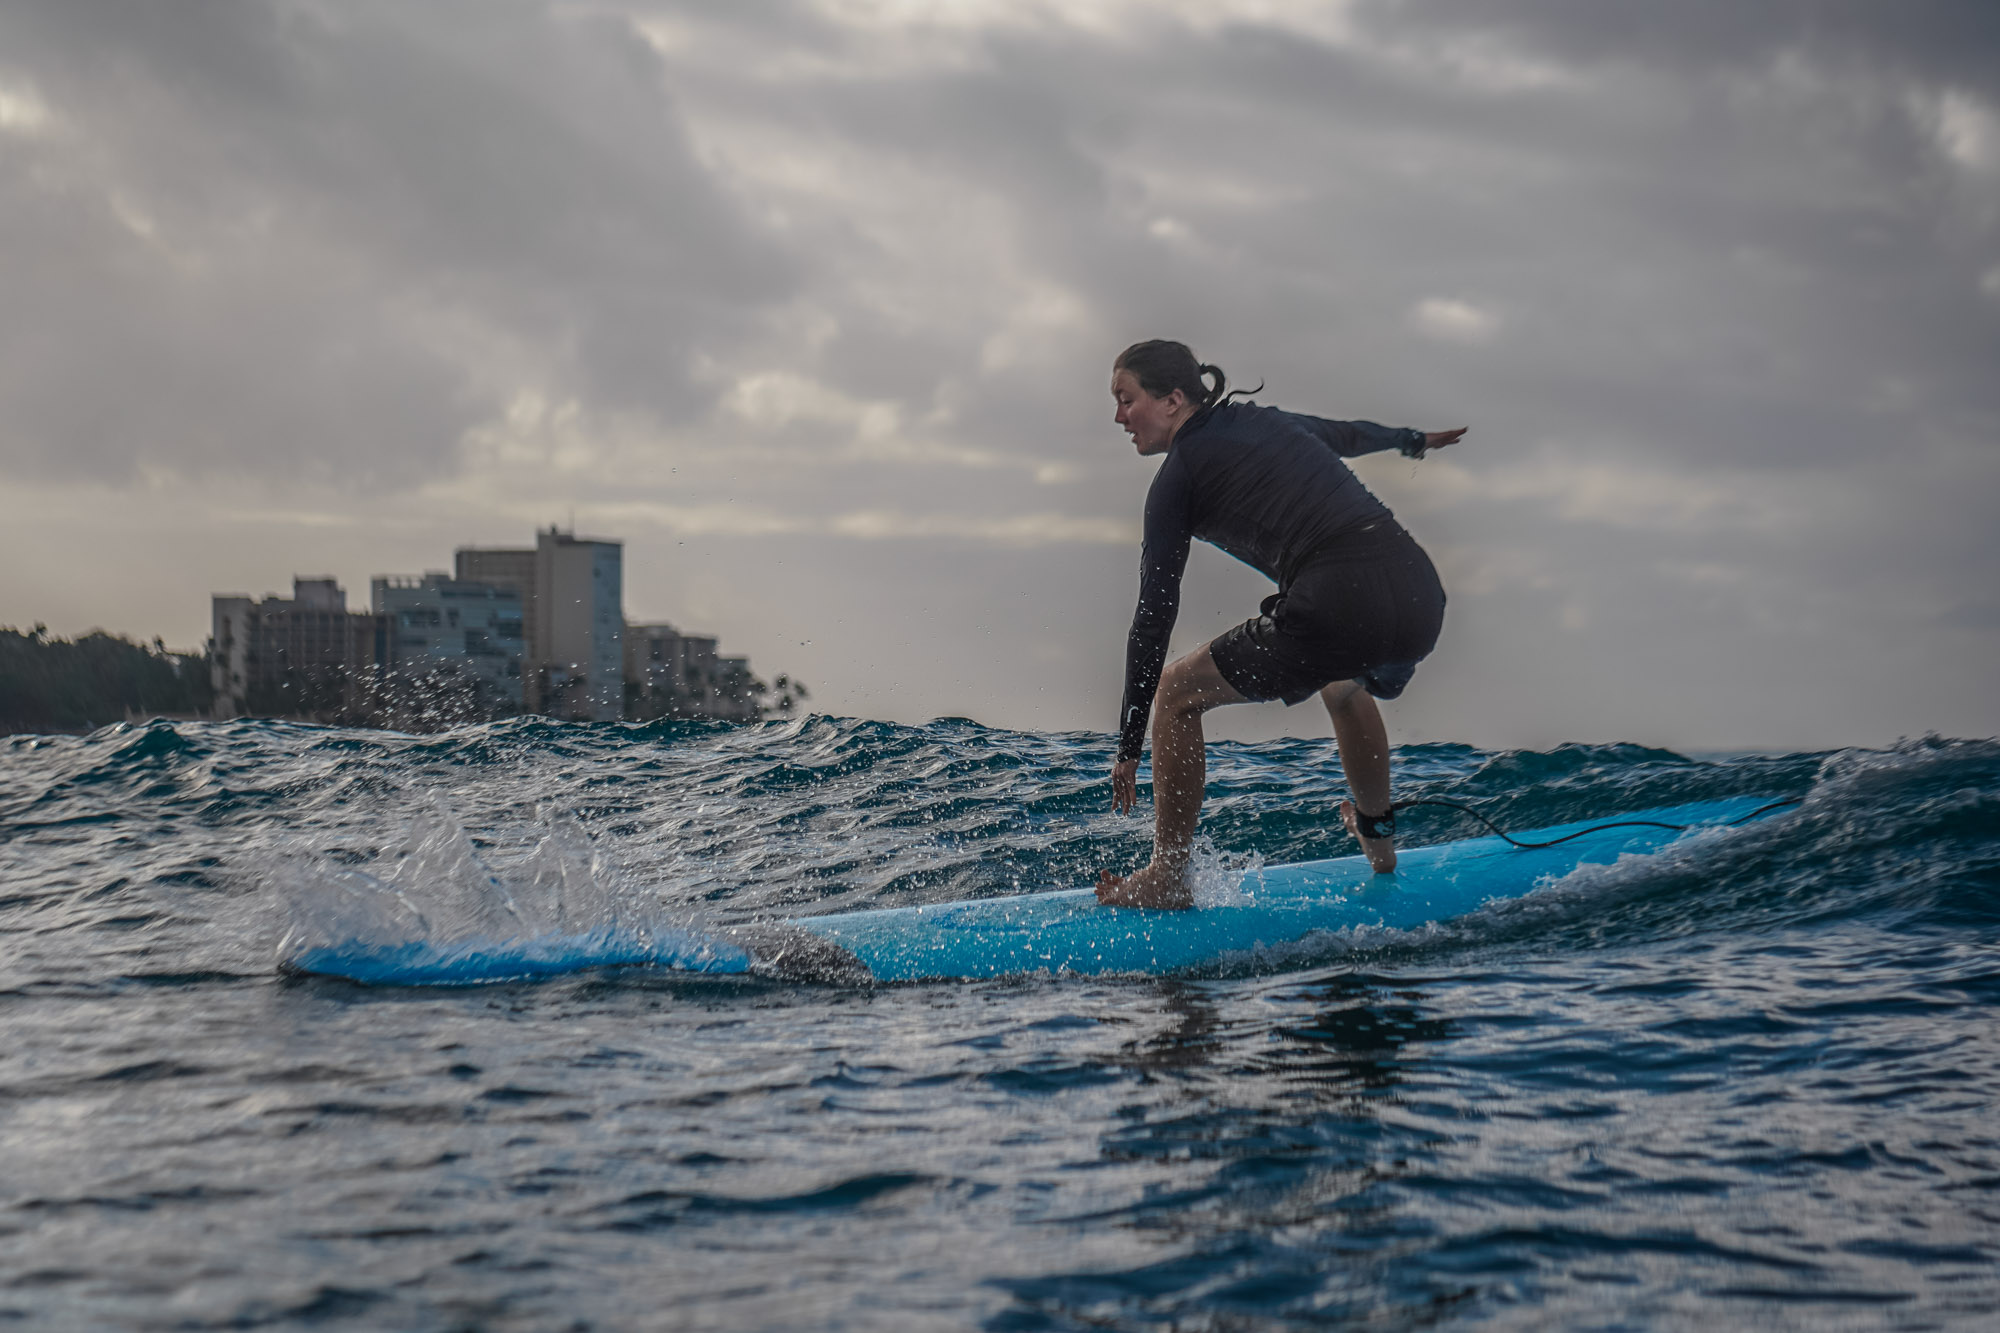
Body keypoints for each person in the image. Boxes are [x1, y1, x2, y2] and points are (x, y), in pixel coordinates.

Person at [1096, 340, 1464, 909]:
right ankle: (1379, 842)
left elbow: (1153, 614)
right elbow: (1344, 435)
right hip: (1419, 594)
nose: (1120, 417)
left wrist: (1128, 745)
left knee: (1176, 691)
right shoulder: (1268, 422)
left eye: (1126, 399)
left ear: (1171, 400)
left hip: (1338, 601)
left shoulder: (1178, 475)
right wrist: (1411, 441)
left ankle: (1166, 877)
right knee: (1343, 684)